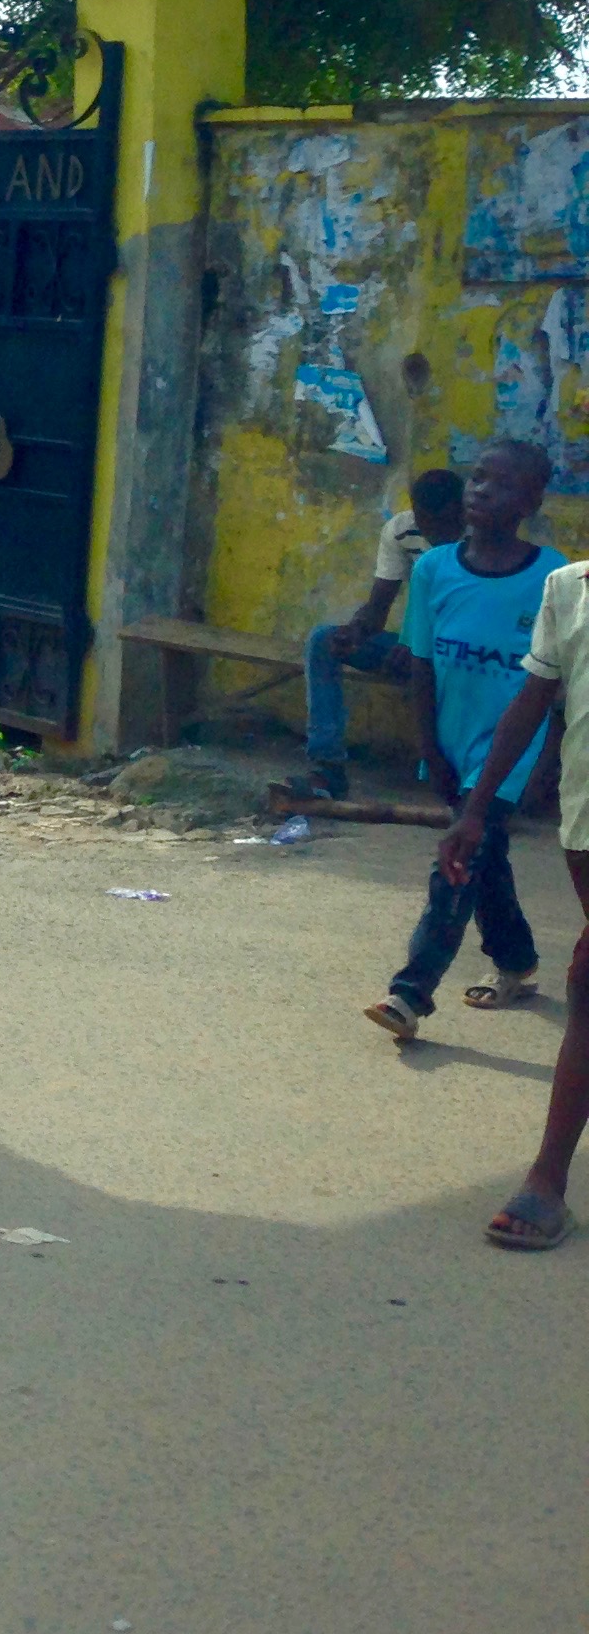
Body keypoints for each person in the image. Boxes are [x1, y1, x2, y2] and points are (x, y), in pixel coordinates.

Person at [363, 442, 562, 1044]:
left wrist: (547, 765)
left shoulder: (554, 580)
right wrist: (430, 750)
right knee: (483, 856)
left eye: (501, 485)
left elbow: (561, 686)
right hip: (451, 747)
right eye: (478, 479)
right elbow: (422, 667)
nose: (480, 491)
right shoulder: (434, 570)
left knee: (459, 857)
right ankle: (517, 962)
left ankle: (410, 993)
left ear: (530, 501)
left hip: (510, 756)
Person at [436, 544, 589, 1249]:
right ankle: (547, 1180)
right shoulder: (570, 587)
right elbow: (533, 700)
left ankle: (546, 1179)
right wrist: (476, 808)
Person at [291, 466, 467, 802]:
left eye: (441, 523)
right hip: (413, 647)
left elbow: (476, 622)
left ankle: (465, 779)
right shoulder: (401, 530)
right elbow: (378, 606)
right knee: (323, 642)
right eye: (424, 521)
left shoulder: (482, 539)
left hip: (462, 654)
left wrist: (417, 645)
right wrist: (355, 630)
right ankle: (328, 768)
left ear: (460, 511)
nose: (432, 532)